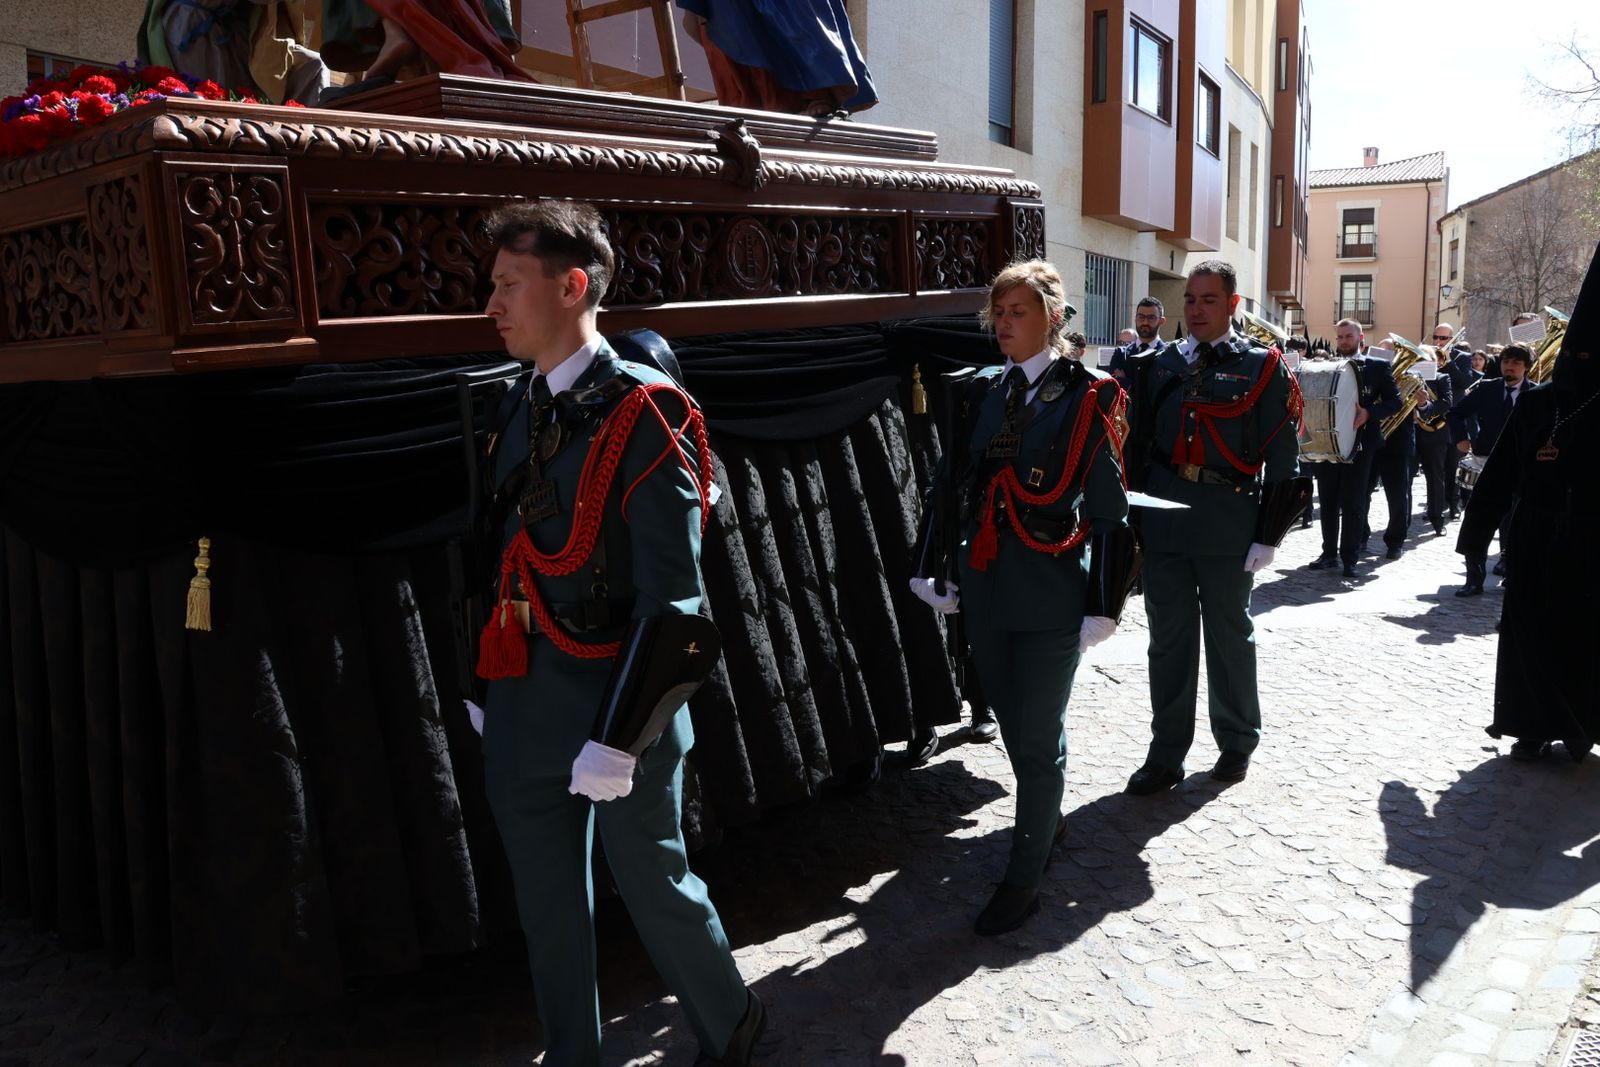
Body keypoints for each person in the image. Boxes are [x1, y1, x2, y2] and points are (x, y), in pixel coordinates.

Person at [473, 200, 764, 1066]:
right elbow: (494, 558)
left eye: (509, 284)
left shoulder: (647, 411)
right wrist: (481, 685)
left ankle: (731, 1022)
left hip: (617, 700)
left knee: (653, 881)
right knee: (547, 903)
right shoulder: (515, 404)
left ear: (572, 286)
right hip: (524, 694)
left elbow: (676, 603)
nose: (492, 304)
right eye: (492, 284)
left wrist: (618, 740)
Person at [910, 259, 1136, 935]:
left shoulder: (1088, 395)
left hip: (1048, 590)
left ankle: (1023, 878)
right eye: (999, 313)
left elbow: (1111, 510)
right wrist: (932, 567)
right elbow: (950, 484)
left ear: (1054, 318)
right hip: (984, 584)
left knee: (1035, 739)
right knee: (1014, 719)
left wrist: (1104, 604)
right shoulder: (980, 390)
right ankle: (1049, 813)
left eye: (1019, 312)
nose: (1005, 324)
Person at [1122, 260, 1307, 794]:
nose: (1197, 309)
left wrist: (1268, 535)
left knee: (1230, 638)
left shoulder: (1261, 366)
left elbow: (1283, 457)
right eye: (1190, 299)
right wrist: (1132, 516)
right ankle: (1165, 754)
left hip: (1229, 521)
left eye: (1208, 299)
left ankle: (1236, 741)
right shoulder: (1158, 365)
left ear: (1232, 303)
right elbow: (1138, 447)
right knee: (1168, 641)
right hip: (1164, 518)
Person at [1458, 242, 1600, 760]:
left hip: (1590, 542)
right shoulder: (1538, 403)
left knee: (1583, 637)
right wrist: (1476, 537)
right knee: (1528, 636)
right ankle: (1529, 726)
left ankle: (1581, 728)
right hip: (1534, 538)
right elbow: (1501, 473)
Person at [1304, 319, 1402, 578]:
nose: (1343, 341)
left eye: (1348, 336)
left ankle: (1350, 558)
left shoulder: (1377, 366)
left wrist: (1369, 413)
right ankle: (1328, 554)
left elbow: (1396, 402)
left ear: (1360, 339)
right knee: (1327, 500)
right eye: (1339, 337)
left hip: (1361, 443)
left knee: (1353, 502)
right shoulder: (1326, 365)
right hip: (1327, 441)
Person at [1448, 344, 1533, 596]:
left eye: (1516, 363)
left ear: (1526, 367)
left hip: (1520, 467)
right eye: (1506, 361)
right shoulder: (1487, 388)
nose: (1509, 367)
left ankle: (1510, 570)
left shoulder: (1536, 394)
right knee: (1477, 523)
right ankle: (1474, 580)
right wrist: (1461, 438)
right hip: (1486, 463)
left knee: (1514, 523)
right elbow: (1456, 413)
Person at [1410, 347, 1456, 536]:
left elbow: (1446, 403)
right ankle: (1402, 523)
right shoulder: (1407, 378)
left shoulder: (1442, 378)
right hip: (1410, 433)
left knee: (1435, 478)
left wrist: (1424, 406)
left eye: (1426, 359)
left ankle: (1437, 520)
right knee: (1405, 480)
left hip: (1434, 434)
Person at [1106, 297, 1168, 385]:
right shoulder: (1121, 354)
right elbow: (1112, 386)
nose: (1145, 322)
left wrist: (1125, 382)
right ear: (1135, 318)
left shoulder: (1168, 355)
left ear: (1161, 321)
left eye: (1151, 318)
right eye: (1141, 317)